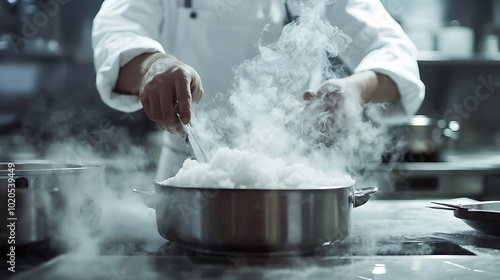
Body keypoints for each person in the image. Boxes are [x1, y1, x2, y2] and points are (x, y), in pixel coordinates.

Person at [92, 0, 425, 181]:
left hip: (293, 177)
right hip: (190, 177)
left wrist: (354, 89)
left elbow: (395, 55)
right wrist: (154, 64)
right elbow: (117, 34)